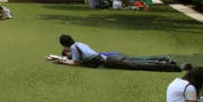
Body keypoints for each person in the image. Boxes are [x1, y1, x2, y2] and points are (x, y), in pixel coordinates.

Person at [49, 34, 179, 70]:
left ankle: (167, 65)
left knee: (138, 64)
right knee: (138, 60)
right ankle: (164, 59)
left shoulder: (73, 48)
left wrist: (61, 60)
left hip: (109, 61)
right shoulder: (79, 44)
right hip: (106, 57)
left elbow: (76, 63)